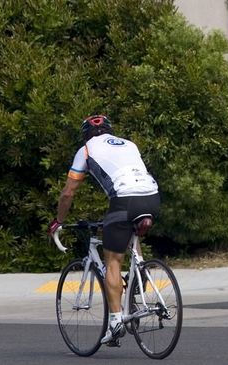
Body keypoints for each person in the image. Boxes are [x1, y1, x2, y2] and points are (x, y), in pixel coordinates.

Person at [48, 115, 161, 345]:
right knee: (129, 236)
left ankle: (116, 321)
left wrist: (59, 221)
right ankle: (138, 278)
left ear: (86, 135)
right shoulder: (130, 144)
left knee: (113, 260)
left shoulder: (86, 150)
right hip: (152, 197)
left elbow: (68, 192)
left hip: (124, 200)